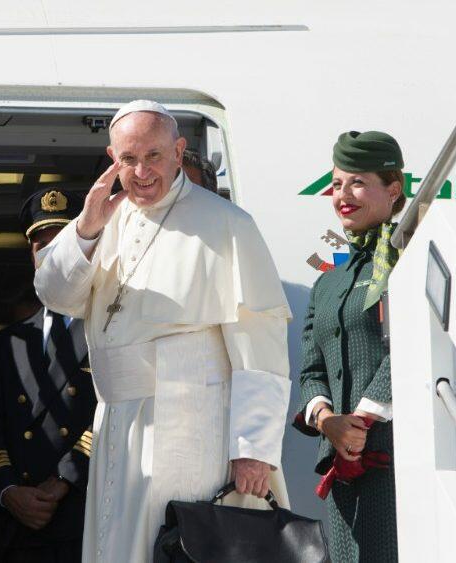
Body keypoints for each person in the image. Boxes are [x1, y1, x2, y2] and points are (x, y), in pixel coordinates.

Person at [34, 100, 292, 562]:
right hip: (117, 419)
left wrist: (253, 449)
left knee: (178, 545)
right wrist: (88, 229)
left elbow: (261, 342)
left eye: (153, 156)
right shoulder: (103, 219)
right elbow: (54, 294)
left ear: (178, 151)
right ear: (113, 159)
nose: (141, 171)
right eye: (128, 160)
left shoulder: (228, 224)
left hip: (191, 420)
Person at [292, 130, 406, 562]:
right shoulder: (329, 278)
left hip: (395, 454)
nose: (343, 194)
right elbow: (310, 368)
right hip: (342, 463)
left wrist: (360, 420)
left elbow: (414, 345)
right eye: (337, 184)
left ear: (393, 189)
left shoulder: (409, 259)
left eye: (357, 182)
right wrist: (327, 422)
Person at [0, 189, 97, 563]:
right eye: (39, 245)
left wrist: (63, 480)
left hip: (84, 514)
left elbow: (116, 415)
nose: (47, 253)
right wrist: (8, 490)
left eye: (59, 242)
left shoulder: (108, 326)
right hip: (22, 526)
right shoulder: (9, 342)